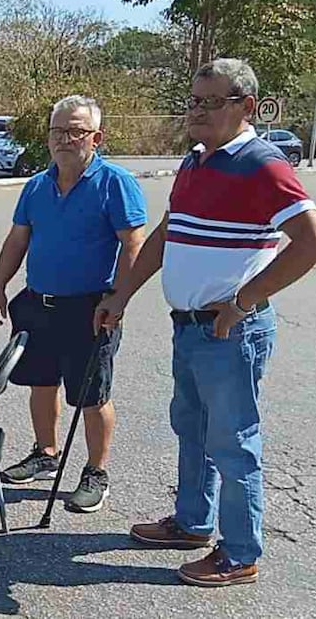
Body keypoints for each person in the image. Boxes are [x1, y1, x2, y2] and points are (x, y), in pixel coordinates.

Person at [97, 59, 316, 586]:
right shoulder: (197, 161)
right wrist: (121, 292)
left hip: (230, 332)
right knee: (191, 430)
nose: (195, 111)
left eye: (209, 102)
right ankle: (194, 523)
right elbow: (169, 233)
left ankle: (239, 555)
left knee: (233, 443)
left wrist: (244, 300)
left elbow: (309, 241)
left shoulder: (262, 164)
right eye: (193, 101)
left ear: (245, 106)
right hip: (189, 327)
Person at [0, 95, 147, 513]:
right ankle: (46, 453)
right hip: (39, 303)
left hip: (92, 308)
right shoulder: (37, 186)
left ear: (96, 137)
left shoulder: (115, 183)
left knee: (91, 396)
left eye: (75, 131)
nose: (64, 139)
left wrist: (120, 297)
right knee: (41, 383)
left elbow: (134, 243)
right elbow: (17, 239)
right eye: (57, 131)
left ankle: (96, 473)